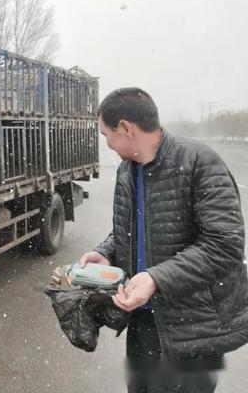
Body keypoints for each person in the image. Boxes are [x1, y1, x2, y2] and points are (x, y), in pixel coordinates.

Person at [79, 87, 248, 393]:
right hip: (144, 319)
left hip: (193, 326)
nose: (107, 144)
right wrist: (106, 252)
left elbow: (225, 245)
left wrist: (156, 278)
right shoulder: (128, 170)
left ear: (127, 128)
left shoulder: (201, 163)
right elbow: (128, 230)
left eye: (107, 135)